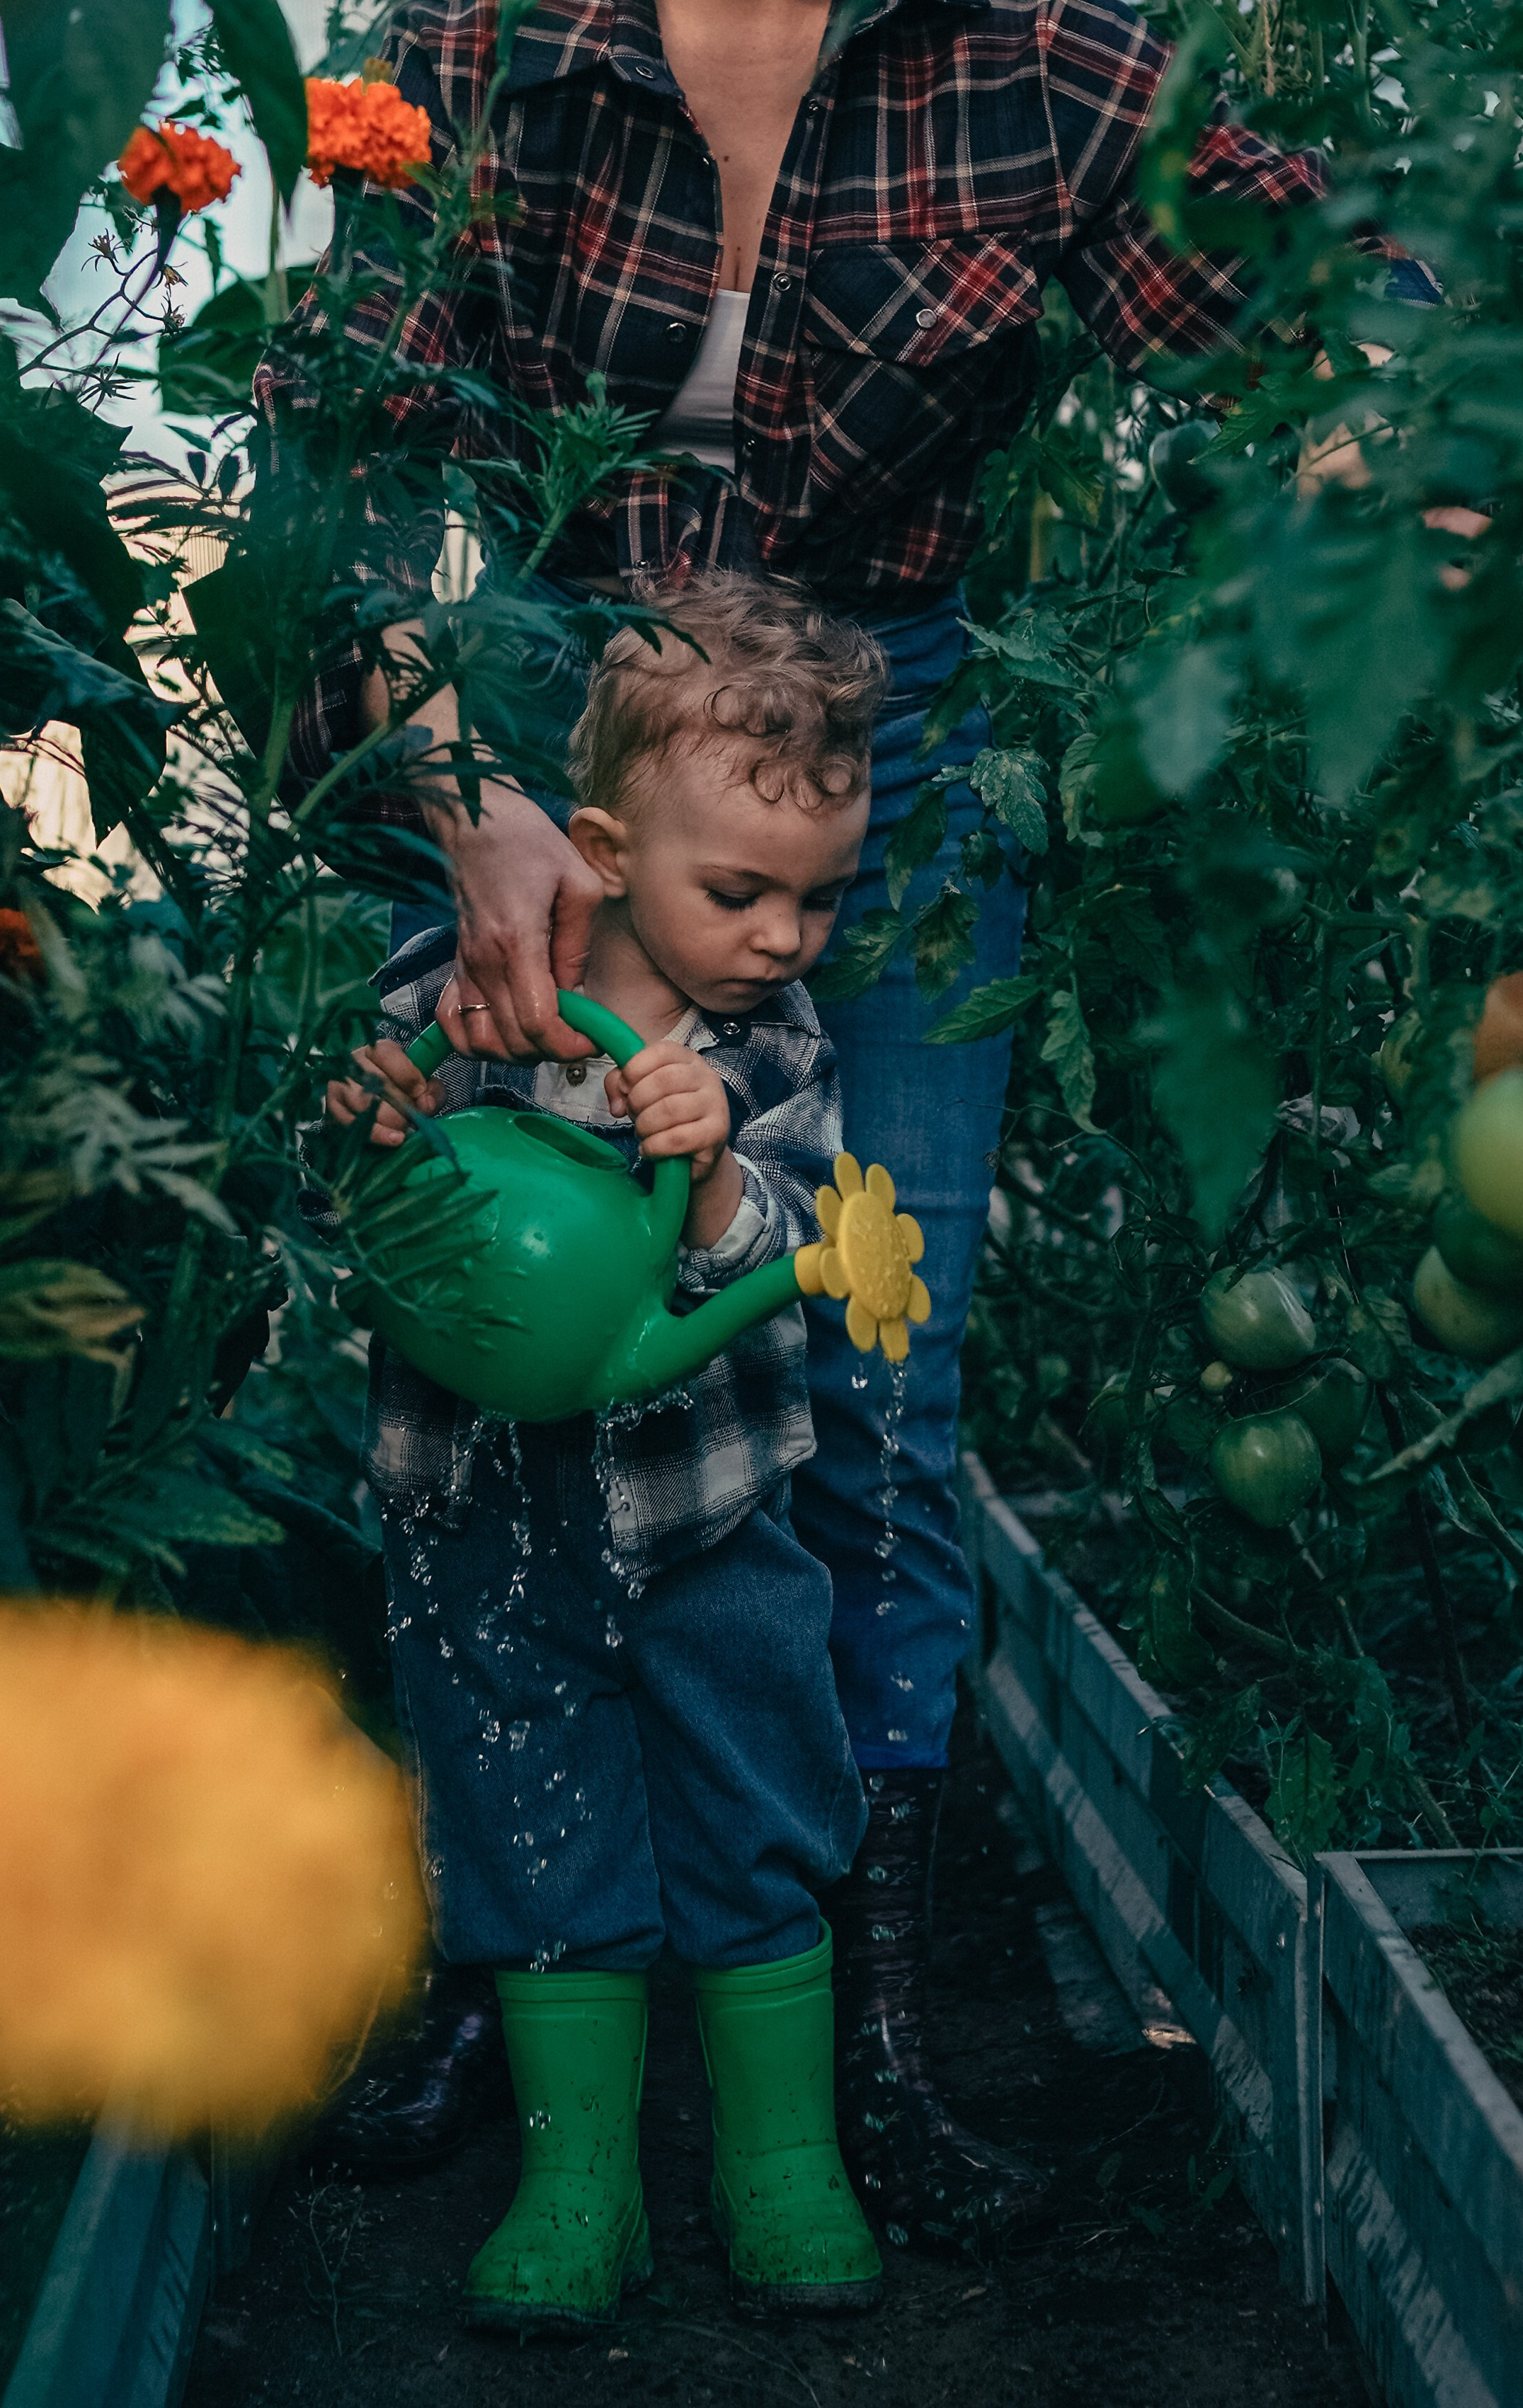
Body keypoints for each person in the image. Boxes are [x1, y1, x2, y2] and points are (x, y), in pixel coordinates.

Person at [268, 0, 1330, 2248]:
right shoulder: (483, 29)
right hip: (557, 715)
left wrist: (1410, 425)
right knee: (480, 1313)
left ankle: (857, 2027)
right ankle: (504, 1946)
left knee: (876, 1350)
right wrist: (470, 808)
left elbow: (1319, 308)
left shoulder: (1037, 47)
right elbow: (337, 441)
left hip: (890, 759)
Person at [324, 576, 889, 2325]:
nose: (787, 937)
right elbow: (341, 1187)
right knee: (528, 1818)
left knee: (753, 1805)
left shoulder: (767, 1056)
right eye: (743, 892)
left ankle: (778, 2163)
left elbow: (794, 1246)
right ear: (601, 844)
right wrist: (370, 1110)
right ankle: (580, 2183)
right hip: (480, 1514)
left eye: (821, 898)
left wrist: (718, 1169)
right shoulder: (461, 993)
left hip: (712, 1520)